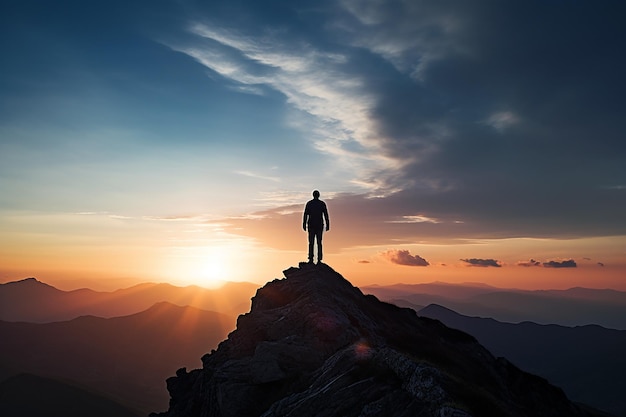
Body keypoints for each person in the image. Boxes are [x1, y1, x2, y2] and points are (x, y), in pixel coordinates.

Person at [302, 190, 329, 264]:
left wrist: (304, 224)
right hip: (316, 225)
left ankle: (313, 259)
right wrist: (327, 224)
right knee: (317, 243)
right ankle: (316, 259)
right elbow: (306, 214)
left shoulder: (310, 203)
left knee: (313, 243)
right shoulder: (320, 204)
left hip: (314, 225)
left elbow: (305, 215)